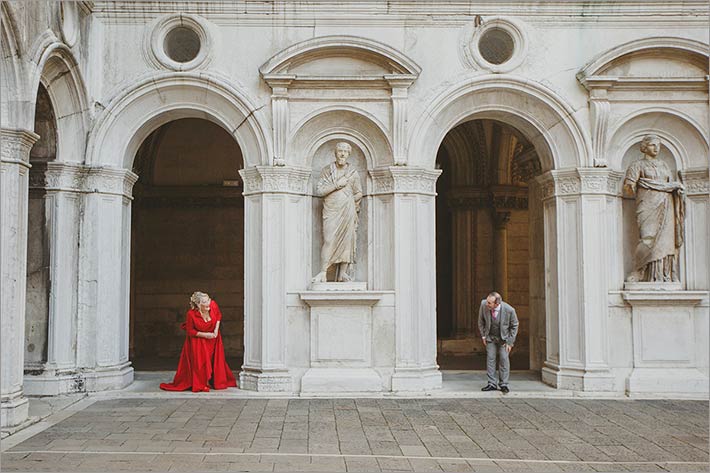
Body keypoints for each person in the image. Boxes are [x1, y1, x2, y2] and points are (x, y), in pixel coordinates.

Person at [623, 134, 685, 283]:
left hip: (666, 204)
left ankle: (665, 274)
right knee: (647, 238)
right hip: (647, 205)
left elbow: (670, 185)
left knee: (666, 240)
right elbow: (628, 187)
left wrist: (678, 191)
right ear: (644, 147)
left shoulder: (664, 165)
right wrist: (631, 187)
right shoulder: (637, 165)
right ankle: (639, 270)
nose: (656, 148)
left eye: (658, 145)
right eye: (652, 145)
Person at [160, 291, 237, 392]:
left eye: (208, 299)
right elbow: (190, 331)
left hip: (214, 338)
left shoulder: (213, 305)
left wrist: (215, 331)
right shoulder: (191, 314)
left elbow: (218, 316)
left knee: (215, 360)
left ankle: (214, 381)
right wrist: (206, 335)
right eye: (205, 302)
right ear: (198, 304)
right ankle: (201, 383)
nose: (209, 303)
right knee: (201, 361)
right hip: (198, 340)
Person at [312, 141, 363, 283]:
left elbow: (359, 193)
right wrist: (336, 185)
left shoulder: (353, 173)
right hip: (331, 209)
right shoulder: (327, 171)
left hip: (347, 210)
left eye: (345, 152)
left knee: (347, 241)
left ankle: (342, 274)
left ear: (348, 154)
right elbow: (320, 191)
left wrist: (350, 201)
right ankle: (323, 272)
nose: (342, 154)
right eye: (340, 151)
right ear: (335, 153)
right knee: (329, 239)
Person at [478, 291, 518, 393]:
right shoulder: (483, 304)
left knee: (504, 359)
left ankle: (503, 384)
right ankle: (491, 383)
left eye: (489, 303)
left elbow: (514, 326)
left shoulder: (509, 310)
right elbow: (481, 321)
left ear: (497, 304)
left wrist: (510, 342)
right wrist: (483, 336)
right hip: (490, 337)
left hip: (503, 339)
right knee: (490, 359)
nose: (487, 304)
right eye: (487, 302)